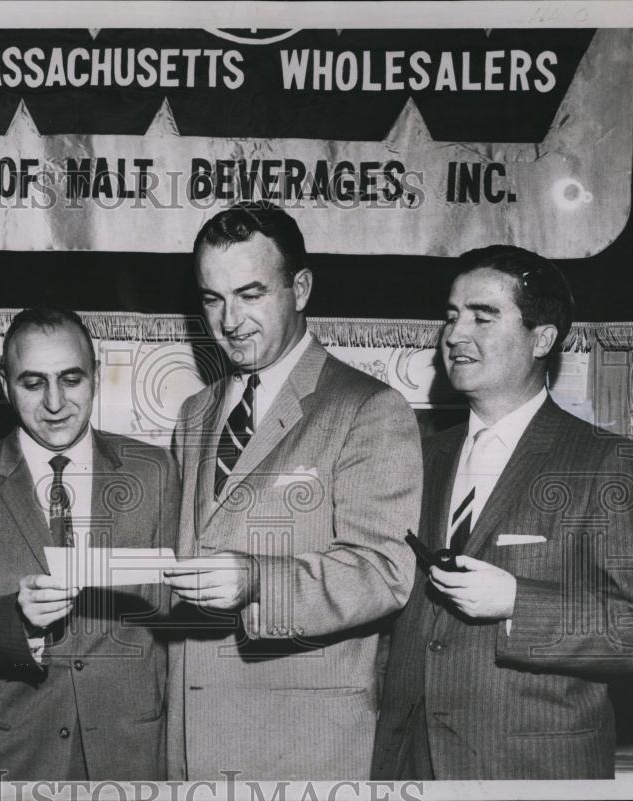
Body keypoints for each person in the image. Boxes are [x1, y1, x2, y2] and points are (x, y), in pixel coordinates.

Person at [371, 245, 633, 780]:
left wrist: (517, 604)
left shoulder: (605, 462)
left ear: (542, 338)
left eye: (483, 316)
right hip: (410, 764)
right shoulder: (421, 455)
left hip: (531, 770)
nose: (455, 334)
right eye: (452, 315)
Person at [162, 201, 422, 780]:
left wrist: (257, 579)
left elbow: (385, 572)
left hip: (303, 746)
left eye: (250, 294)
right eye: (212, 298)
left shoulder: (369, 408)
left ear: (300, 288)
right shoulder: (194, 412)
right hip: (189, 742)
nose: (230, 320)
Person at [0, 307, 178, 780]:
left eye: (72, 379)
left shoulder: (155, 471)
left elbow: (175, 617)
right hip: (8, 759)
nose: (55, 402)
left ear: (96, 377)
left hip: (130, 753)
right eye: (33, 382)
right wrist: (16, 619)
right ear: (4, 385)